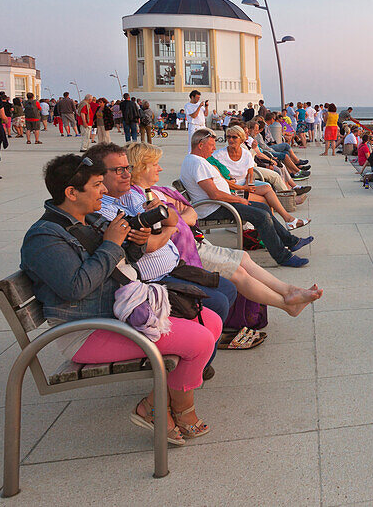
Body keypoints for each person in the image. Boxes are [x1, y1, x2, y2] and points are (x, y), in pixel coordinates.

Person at [22, 153, 219, 443]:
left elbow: (120, 263)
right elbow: (75, 288)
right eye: (98, 185)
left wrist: (135, 244)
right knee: (200, 340)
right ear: (71, 193)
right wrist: (112, 244)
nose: (104, 191)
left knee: (210, 320)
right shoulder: (45, 237)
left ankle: (154, 403)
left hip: (117, 313)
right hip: (87, 330)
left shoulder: (89, 219)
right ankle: (177, 408)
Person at [127, 142, 322, 317]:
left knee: (246, 249)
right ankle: (287, 300)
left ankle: (289, 288)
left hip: (197, 232)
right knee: (240, 268)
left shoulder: (158, 191)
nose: (160, 168)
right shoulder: (145, 198)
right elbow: (189, 213)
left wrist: (181, 217)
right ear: (141, 167)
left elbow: (189, 214)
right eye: (155, 164)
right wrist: (182, 217)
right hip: (203, 223)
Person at [85, 143, 238, 324]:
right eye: (119, 170)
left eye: (128, 168)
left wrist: (167, 218)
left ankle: (208, 334)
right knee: (218, 302)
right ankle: (198, 340)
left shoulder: (132, 195)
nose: (127, 174)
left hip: (175, 268)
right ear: (98, 176)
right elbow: (148, 244)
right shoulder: (103, 210)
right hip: (152, 281)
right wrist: (169, 228)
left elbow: (171, 218)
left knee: (228, 288)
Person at [180, 129, 311, 267]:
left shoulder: (194, 160)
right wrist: (238, 199)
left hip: (219, 204)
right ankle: (283, 257)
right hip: (214, 207)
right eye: (211, 145)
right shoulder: (198, 164)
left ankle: (291, 241)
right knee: (261, 216)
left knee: (264, 207)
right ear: (200, 145)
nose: (214, 148)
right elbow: (215, 194)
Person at [213, 125, 308, 229]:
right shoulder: (219, 155)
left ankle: (286, 221)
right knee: (266, 201)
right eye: (228, 137)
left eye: (234, 137)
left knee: (267, 187)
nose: (230, 139)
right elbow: (218, 178)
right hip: (231, 187)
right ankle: (280, 224)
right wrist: (244, 188)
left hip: (244, 184)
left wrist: (249, 185)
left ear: (241, 139)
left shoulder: (246, 154)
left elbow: (250, 174)